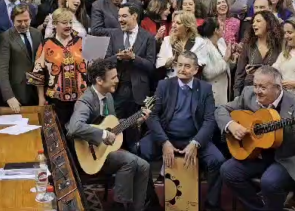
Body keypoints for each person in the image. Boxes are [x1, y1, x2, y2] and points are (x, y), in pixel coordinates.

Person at [216, 66, 295, 211]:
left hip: (286, 158)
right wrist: (231, 125)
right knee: (228, 171)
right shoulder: (248, 94)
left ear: (278, 87)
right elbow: (221, 109)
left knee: (269, 182)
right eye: (255, 85)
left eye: (262, 87)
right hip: (256, 154)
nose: (257, 91)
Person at [67, 59, 159, 211]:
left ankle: (138, 208)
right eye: (113, 77)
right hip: (91, 156)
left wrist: (137, 120)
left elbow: (113, 125)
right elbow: (74, 127)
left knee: (144, 166)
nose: (118, 80)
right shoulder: (85, 100)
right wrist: (103, 134)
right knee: (129, 161)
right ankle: (120, 206)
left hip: (106, 151)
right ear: (99, 80)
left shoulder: (108, 96)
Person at [142, 51, 224, 210]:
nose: (182, 69)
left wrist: (196, 143)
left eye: (187, 66)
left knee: (218, 161)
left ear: (195, 70)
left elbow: (209, 120)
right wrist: (164, 142)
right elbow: (152, 116)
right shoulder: (164, 85)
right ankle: (151, 202)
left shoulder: (205, 88)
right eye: (179, 65)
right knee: (139, 154)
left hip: (194, 137)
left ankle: (211, 205)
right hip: (166, 136)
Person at [104, 3, 156, 150]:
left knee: (133, 131)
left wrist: (134, 57)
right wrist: (118, 58)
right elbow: (106, 61)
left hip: (138, 93)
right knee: (114, 127)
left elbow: (151, 67)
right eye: (119, 16)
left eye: (124, 16)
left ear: (134, 16)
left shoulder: (148, 38)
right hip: (116, 90)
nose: (120, 19)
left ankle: (134, 159)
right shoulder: (113, 35)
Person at [28, 8, 87, 125]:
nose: (68, 26)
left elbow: (92, 68)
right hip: (55, 100)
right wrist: (41, 98)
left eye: (70, 22)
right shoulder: (46, 44)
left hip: (81, 99)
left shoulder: (82, 41)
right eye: (64, 23)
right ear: (54, 24)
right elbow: (38, 73)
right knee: (58, 136)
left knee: (79, 134)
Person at [0, 4, 43, 111]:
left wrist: (41, 94)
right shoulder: (6, 37)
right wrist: (9, 96)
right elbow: (1, 70)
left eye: (26, 20)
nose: (23, 24)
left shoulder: (37, 34)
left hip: (36, 92)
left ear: (31, 19)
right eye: (19, 21)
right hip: (17, 93)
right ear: (12, 20)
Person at [233, 11, 283, 96]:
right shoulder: (248, 45)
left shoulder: (280, 45)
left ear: (268, 24)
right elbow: (239, 74)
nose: (254, 24)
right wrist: (237, 96)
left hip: (273, 92)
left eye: (258, 21)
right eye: (253, 22)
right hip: (251, 92)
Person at [156, 11, 208, 78]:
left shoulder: (199, 42)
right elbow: (159, 64)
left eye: (178, 23)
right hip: (170, 82)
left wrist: (183, 54)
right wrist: (169, 62)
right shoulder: (167, 40)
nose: (173, 25)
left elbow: (200, 66)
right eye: (173, 22)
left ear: (187, 27)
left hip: (190, 83)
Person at [197, 18, 233, 106]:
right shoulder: (204, 46)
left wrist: (232, 59)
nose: (223, 27)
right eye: (221, 26)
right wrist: (225, 59)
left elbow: (226, 66)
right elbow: (207, 73)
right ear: (216, 30)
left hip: (225, 89)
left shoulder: (221, 43)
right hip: (212, 92)